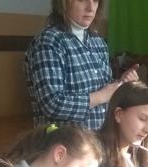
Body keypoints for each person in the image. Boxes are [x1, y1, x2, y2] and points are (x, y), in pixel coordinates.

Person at [24, 0, 138, 129]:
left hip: (100, 136)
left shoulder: (98, 41)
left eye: (95, 1)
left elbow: (103, 88)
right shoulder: (48, 42)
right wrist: (101, 96)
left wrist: (120, 83)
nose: (90, 8)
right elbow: (51, 104)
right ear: (63, 3)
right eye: (82, 0)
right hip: (63, 138)